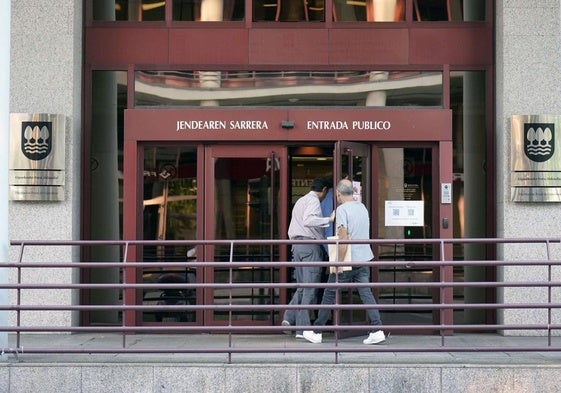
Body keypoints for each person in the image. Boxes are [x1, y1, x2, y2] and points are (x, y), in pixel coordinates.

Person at [312, 178, 386, 345]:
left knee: (329, 293)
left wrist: (337, 262)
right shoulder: (362, 207)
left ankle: (317, 331)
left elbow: (343, 238)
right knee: (366, 293)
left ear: (338, 194)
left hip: (349, 260)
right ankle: (377, 329)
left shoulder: (342, 210)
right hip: (365, 257)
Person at [282, 177, 334, 344]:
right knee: (310, 288)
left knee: (303, 287)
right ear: (324, 190)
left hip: (296, 246)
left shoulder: (301, 200)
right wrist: (329, 219)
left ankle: (291, 319)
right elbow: (309, 220)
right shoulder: (313, 201)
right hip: (310, 246)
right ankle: (303, 329)